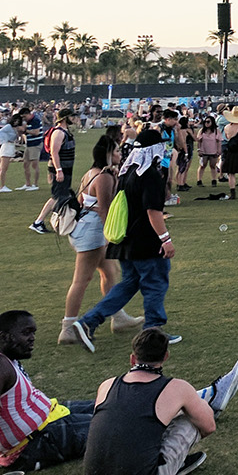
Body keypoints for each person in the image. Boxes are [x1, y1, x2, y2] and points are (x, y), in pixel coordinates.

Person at [0, 311, 238, 475]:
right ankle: (205, 400)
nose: (33, 339)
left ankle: (199, 399)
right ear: (4, 335)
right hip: (37, 441)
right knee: (123, 420)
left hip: (51, 416)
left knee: (118, 405)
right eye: (26, 333)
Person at [82, 327, 238, 475]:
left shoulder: (107, 385)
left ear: (132, 359)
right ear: (166, 356)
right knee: (191, 421)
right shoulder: (176, 388)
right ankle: (207, 398)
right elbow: (208, 426)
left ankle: (202, 398)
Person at [72, 129, 179, 353]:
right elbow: (153, 211)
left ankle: (88, 321)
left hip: (126, 241)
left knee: (128, 284)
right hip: (146, 241)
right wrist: (165, 239)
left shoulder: (126, 172)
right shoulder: (150, 175)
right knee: (155, 284)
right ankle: (153, 330)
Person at [61, 136, 143, 347]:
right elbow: (107, 209)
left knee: (109, 273)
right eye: (116, 151)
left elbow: (82, 202)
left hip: (85, 228)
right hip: (93, 232)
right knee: (82, 279)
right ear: (108, 155)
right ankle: (68, 328)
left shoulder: (92, 174)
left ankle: (118, 316)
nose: (120, 154)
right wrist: (111, 237)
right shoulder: (104, 177)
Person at [28, 109, 77, 235]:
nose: (74, 119)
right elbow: (54, 152)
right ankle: (38, 222)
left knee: (62, 195)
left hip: (65, 168)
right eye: (72, 116)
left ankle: (58, 220)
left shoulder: (65, 132)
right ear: (65, 118)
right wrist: (58, 170)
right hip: (59, 169)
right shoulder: (59, 133)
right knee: (57, 196)